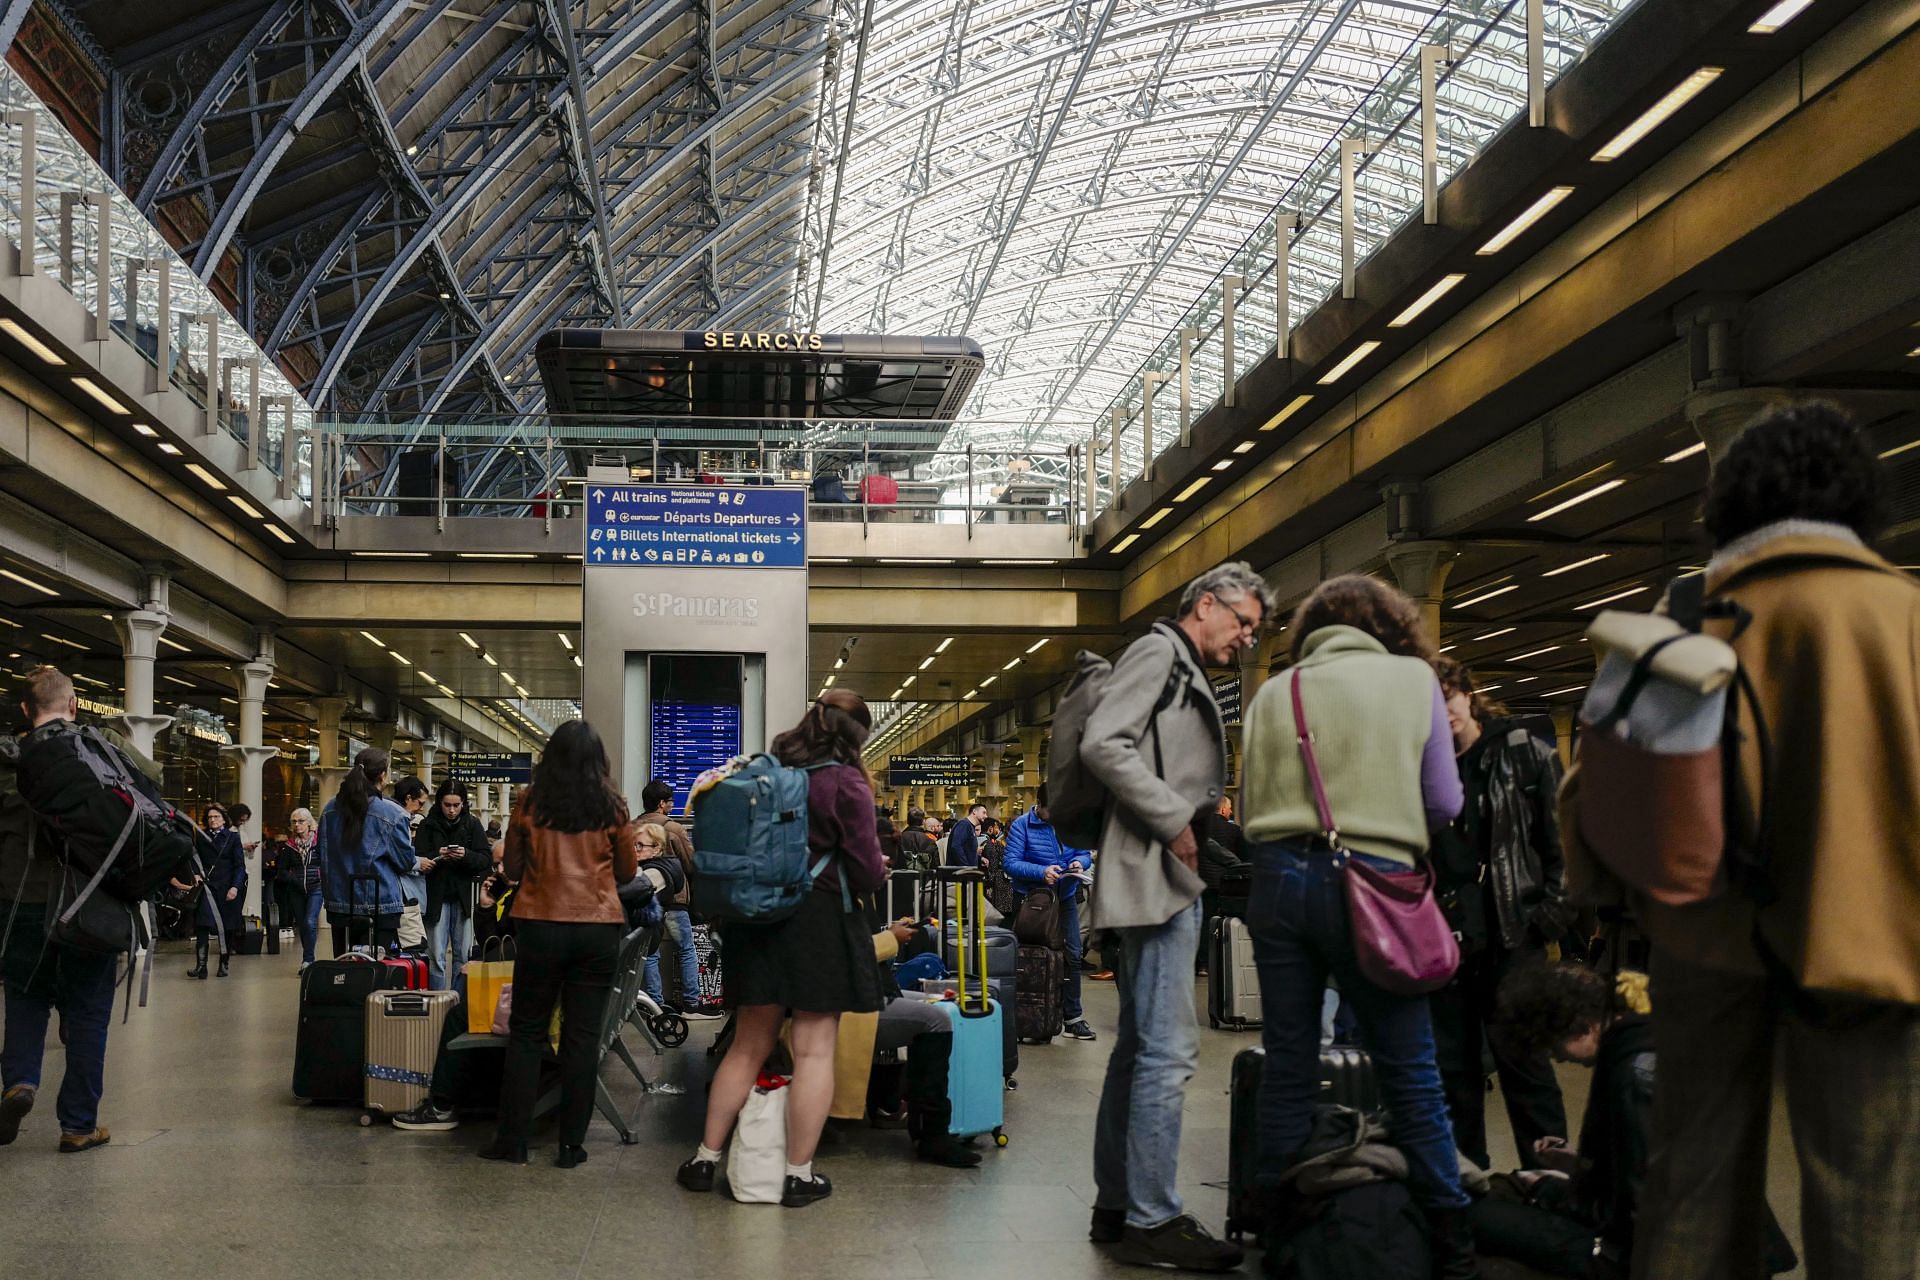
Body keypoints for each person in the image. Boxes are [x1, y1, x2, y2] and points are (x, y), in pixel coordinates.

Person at [1561, 403, 1920, 1280]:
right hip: (1871, 942)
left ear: (1728, 503)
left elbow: (1590, 792)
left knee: (1691, 1179)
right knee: (1869, 1196)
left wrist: (1607, 896)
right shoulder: (1900, 610)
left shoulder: (1686, 612)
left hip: (1702, 936)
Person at [1238, 572, 1476, 1278]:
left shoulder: (1275, 692)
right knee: (1411, 1071)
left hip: (1278, 881)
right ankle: (1455, 1244)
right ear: (1391, 627)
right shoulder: (1413, 680)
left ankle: (1273, 1228)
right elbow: (1443, 800)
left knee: (1288, 1064)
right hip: (1375, 884)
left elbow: (1249, 808)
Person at [1080, 560, 1272, 1271]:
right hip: (1155, 874)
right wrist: (1173, 820)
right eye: (1243, 621)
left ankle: (1116, 1204)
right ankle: (1151, 1217)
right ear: (1207, 604)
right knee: (1168, 1051)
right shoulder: (1161, 651)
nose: (1249, 637)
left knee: (1138, 1050)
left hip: (1159, 871)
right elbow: (1104, 742)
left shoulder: (1177, 661)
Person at [677, 689, 887, 1208]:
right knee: (815, 1048)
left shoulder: (767, 770)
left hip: (756, 921)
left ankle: (705, 1159)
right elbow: (866, 871)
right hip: (818, 922)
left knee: (748, 1045)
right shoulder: (845, 782)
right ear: (857, 736)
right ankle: (799, 1174)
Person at [476, 721, 671, 1166]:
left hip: (540, 925)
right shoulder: (613, 808)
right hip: (597, 929)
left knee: (527, 1034)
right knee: (582, 1038)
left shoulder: (529, 803)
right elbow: (625, 873)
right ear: (598, 761)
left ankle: (512, 1141)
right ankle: (571, 1146)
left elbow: (515, 869)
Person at [1427, 658, 1570, 1171]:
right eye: (1430, 705)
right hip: (1448, 940)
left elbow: (1562, 842)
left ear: (1468, 694)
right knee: (1454, 1071)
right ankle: (1467, 1184)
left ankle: (1550, 1177)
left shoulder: (1525, 753)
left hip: (1514, 933)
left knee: (1526, 1065)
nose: (1441, 714)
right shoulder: (1424, 765)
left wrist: (1548, 916)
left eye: (1447, 699)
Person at [0, 666, 138, 1155]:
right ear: (74, 706)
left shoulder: (7, 763)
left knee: (25, 997)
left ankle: (19, 1081)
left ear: (24, 710)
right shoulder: (102, 753)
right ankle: (78, 1125)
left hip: (20, 906)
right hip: (88, 906)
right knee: (85, 1017)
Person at [1003, 786, 1096, 1042]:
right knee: (1030, 957)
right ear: (1039, 804)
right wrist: (1041, 872)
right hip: (1034, 902)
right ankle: (1028, 1015)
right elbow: (1010, 863)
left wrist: (1080, 863)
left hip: (1064, 898)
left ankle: (1073, 1018)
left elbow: (1084, 853)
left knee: (1073, 955)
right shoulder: (1022, 825)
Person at [318, 749, 418, 954]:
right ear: (383, 775)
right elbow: (405, 862)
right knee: (375, 973)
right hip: (381, 906)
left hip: (339, 905)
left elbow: (322, 855)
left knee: (345, 971)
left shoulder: (329, 810)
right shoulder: (392, 814)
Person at [639, 778, 710, 1016]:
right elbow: (690, 864)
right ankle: (691, 1004)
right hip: (674, 902)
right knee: (686, 949)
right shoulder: (673, 828)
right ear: (661, 804)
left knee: (650, 952)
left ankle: (655, 1005)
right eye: (670, 801)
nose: (672, 805)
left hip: (645, 900)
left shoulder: (631, 827)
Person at [412, 780, 492, 990]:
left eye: (456, 805)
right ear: (439, 803)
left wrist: (465, 855)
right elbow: (417, 858)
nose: (452, 810)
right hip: (436, 897)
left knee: (463, 955)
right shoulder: (427, 825)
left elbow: (485, 859)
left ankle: (457, 1001)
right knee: (436, 955)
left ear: (463, 803)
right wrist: (437, 856)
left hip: (463, 898)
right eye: (447, 804)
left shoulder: (472, 824)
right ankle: (438, 1001)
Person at [174, 803, 245, 979]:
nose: (213, 820)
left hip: (227, 888)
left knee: (227, 928)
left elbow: (239, 866)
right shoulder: (200, 837)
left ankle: (224, 963)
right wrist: (196, 874)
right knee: (202, 925)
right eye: (210, 817)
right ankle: (201, 966)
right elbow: (191, 858)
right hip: (207, 887)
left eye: (216, 817)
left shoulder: (232, 838)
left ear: (224, 819)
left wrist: (235, 887)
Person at [279, 808, 322, 969]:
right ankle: (308, 957)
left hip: (316, 887)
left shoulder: (319, 843)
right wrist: (292, 879)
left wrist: (322, 877)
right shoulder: (289, 847)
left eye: (301, 821)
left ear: (309, 823)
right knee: (304, 924)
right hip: (296, 890)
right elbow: (282, 870)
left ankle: (308, 960)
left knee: (310, 921)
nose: (297, 825)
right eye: (294, 822)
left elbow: (328, 863)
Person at [945, 801, 984, 869]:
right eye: (984, 813)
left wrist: (980, 859)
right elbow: (956, 847)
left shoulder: (970, 827)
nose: (986, 816)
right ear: (974, 812)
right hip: (959, 874)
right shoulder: (964, 824)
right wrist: (965, 867)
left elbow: (968, 851)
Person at [898, 808, 938, 873]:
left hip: (902, 879)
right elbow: (935, 865)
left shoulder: (898, 839)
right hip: (923, 879)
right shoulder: (930, 841)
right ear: (923, 822)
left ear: (907, 821)